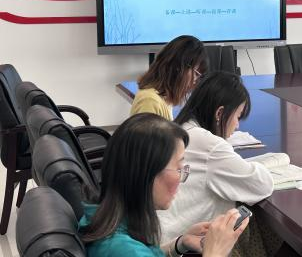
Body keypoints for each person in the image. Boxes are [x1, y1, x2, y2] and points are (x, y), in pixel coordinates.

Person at [79, 113, 248, 257]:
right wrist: (215, 251)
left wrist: (180, 244)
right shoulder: (123, 250)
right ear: (146, 175)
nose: (181, 177)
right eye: (178, 168)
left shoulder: (100, 215)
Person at [159, 71, 275, 255]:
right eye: (238, 117)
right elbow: (261, 185)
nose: (237, 125)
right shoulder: (210, 145)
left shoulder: (180, 128)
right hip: (187, 246)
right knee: (265, 229)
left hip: (166, 240)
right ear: (220, 113)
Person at [130, 35, 208, 120]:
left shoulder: (164, 100)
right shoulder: (150, 101)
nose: (195, 81)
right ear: (179, 67)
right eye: (196, 74)